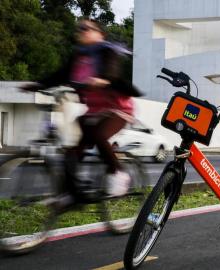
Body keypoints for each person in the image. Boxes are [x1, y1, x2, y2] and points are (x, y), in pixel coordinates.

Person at [21, 19, 142, 203]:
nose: (82, 31)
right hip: (94, 110)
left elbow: (112, 70)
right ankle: (72, 193)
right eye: (79, 28)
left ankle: (118, 173)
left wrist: (103, 79)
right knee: (73, 151)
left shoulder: (106, 51)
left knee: (99, 135)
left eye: (86, 28)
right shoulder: (78, 57)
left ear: (100, 34)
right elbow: (60, 75)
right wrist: (37, 85)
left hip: (118, 109)